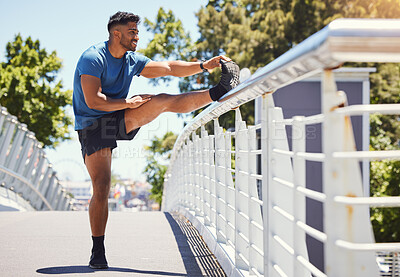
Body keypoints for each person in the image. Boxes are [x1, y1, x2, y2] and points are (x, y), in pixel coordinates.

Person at [72, 11, 239, 269]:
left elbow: (170, 68)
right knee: (102, 185)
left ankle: (219, 90)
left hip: (118, 114)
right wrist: (127, 103)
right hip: (92, 125)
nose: (137, 36)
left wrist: (206, 65)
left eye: (137, 32)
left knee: (161, 100)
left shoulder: (131, 60)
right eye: (132, 32)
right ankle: (98, 249)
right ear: (116, 33)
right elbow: (94, 100)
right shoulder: (93, 58)